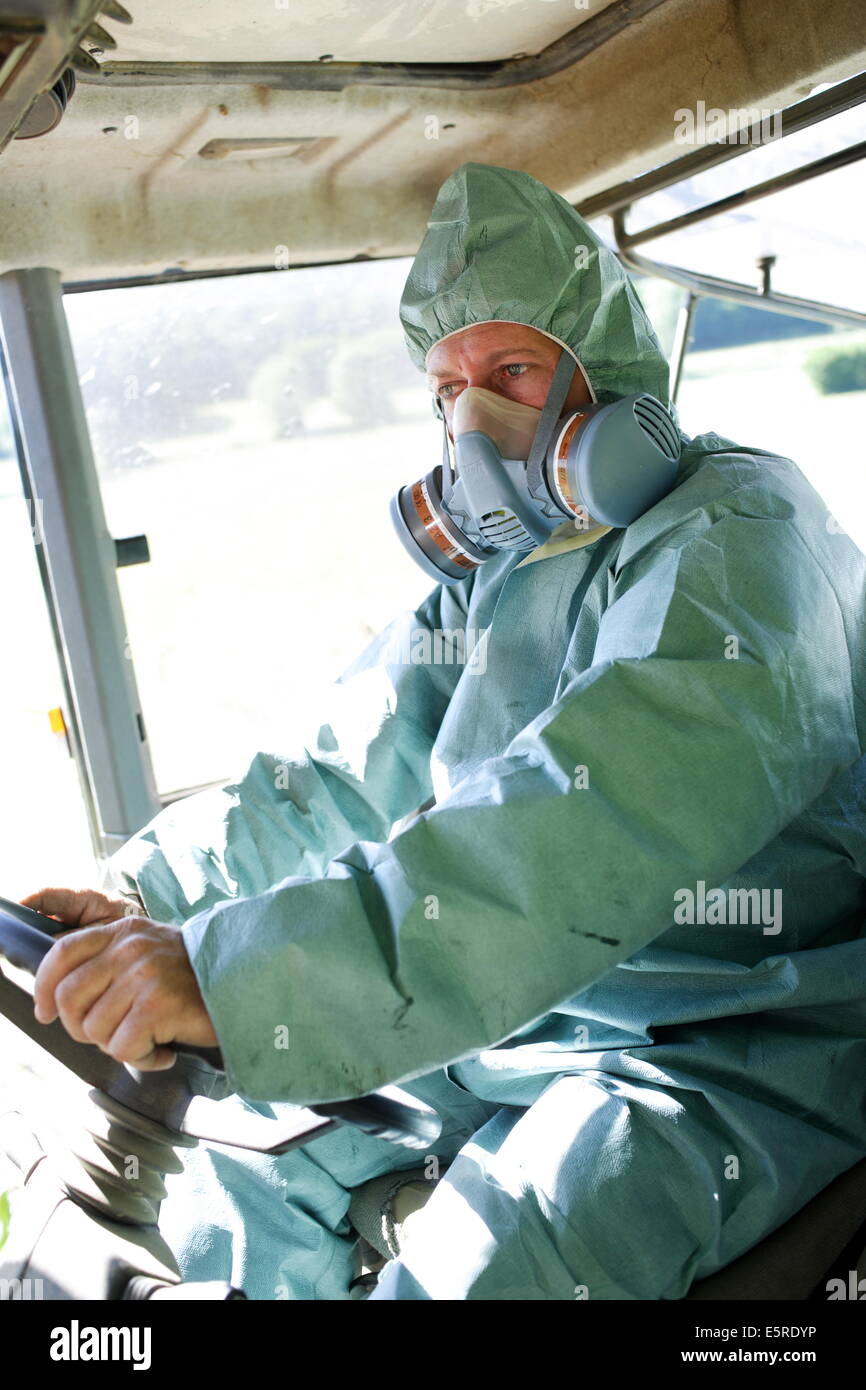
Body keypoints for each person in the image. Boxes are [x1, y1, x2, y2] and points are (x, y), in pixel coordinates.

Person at [25, 162, 866, 1301]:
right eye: (448, 388)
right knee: (229, 1188)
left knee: (485, 1272)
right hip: (520, 1023)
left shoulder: (742, 542)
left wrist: (239, 979)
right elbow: (332, 775)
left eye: (512, 370)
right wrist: (147, 898)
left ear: (602, 372)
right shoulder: (504, 568)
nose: (475, 422)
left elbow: (570, 828)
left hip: (729, 1048)